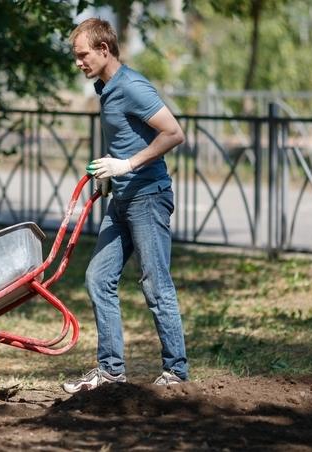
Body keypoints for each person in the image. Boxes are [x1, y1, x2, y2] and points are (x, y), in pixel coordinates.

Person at [62, 18, 188, 394]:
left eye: (83, 55)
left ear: (104, 50)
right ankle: (111, 370)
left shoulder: (132, 86)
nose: (79, 63)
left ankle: (176, 373)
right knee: (98, 278)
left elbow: (174, 132)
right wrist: (110, 171)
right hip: (123, 197)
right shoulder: (106, 87)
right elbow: (130, 138)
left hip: (148, 198)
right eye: (76, 57)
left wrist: (128, 165)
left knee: (155, 283)